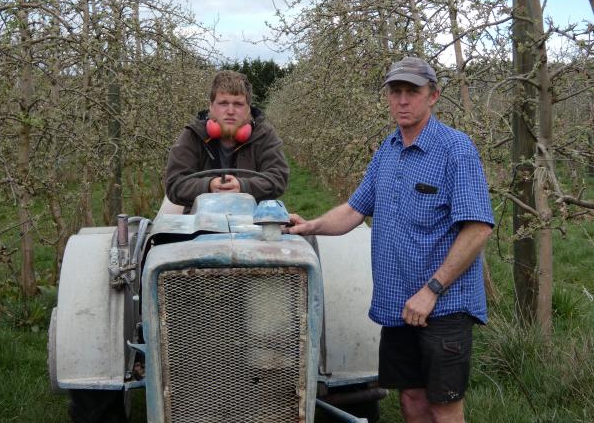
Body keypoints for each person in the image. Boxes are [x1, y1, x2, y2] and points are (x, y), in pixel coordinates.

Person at [287, 57, 494, 423]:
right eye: (395, 92)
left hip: (443, 306)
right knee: (411, 398)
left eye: (411, 92)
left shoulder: (455, 151)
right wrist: (310, 226)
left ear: (433, 96)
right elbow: (354, 210)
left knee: (444, 405)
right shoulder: (388, 149)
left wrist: (431, 290)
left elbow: (478, 228)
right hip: (399, 303)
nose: (402, 100)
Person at [164, 70, 289, 211]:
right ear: (211, 106)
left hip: (253, 221)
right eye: (223, 103)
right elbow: (175, 184)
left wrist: (242, 186)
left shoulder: (264, 135)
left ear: (249, 108)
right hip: (200, 223)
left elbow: (278, 178)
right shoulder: (193, 135)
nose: (230, 111)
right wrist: (209, 186)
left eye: (238, 104)